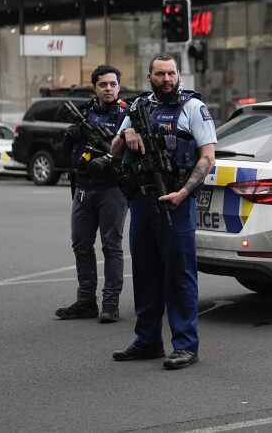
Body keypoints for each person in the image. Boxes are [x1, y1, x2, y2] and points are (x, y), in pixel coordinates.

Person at [110, 53, 216, 370]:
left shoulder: (193, 108)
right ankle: (147, 341)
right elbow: (113, 151)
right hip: (142, 201)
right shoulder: (138, 107)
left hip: (177, 201)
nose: (166, 79)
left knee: (179, 276)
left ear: (178, 75)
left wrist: (184, 193)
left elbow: (208, 157)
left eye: (171, 73)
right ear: (150, 76)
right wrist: (125, 134)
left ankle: (185, 346)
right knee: (145, 274)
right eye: (160, 74)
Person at [55, 65, 130, 323]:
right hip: (84, 187)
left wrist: (110, 159)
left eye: (112, 84)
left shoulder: (127, 115)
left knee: (111, 246)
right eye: (103, 84)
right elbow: (69, 153)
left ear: (119, 87)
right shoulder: (84, 113)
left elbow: (135, 150)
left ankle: (111, 303)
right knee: (81, 244)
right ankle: (86, 301)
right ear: (94, 88)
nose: (108, 88)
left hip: (112, 187)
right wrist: (70, 136)